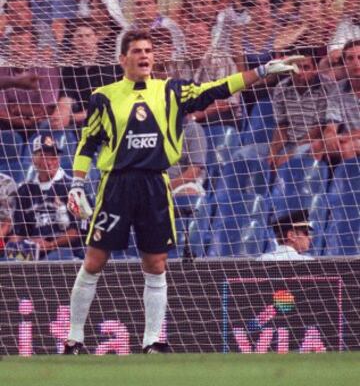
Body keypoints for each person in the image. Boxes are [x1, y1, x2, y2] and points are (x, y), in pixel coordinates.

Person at [64, 29, 302, 354]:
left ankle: (152, 342)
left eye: (148, 50)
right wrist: (77, 183)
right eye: (136, 51)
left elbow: (215, 89)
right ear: (122, 58)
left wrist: (260, 72)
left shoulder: (171, 90)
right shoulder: (103, 97)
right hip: (116, 184)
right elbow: (87, 143)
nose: (144, 55)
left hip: (155, 184)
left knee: (157, 263)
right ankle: (74, 339)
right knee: (94, 261)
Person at [10, 133, 83, 261]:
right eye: (44, 157)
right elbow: (19, 233)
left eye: (54, 157)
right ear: (34, 159)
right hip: (33, 252)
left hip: (66, 251)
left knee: (53, 259)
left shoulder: (73, 188)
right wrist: (12, 247)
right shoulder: (24, 191)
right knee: (11, 259)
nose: (50, 162)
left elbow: (78, 231)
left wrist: (50, 245)